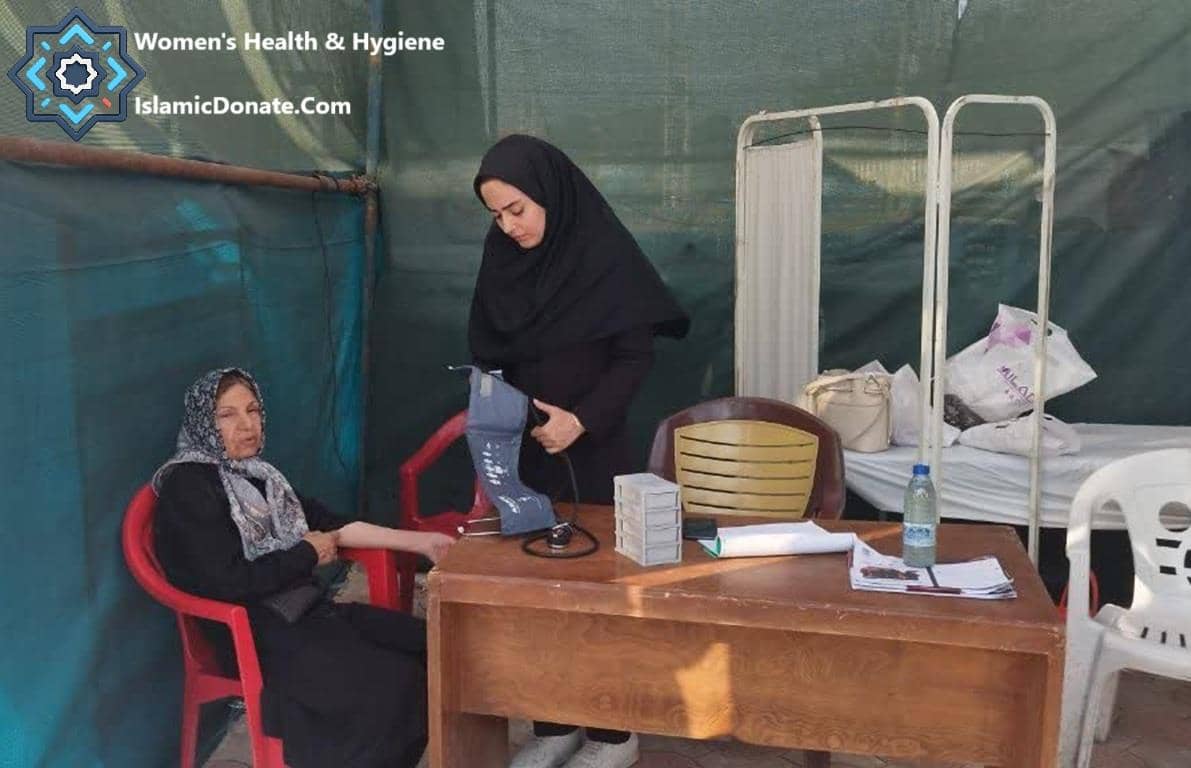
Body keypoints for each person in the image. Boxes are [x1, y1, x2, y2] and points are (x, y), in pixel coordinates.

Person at [469, 135, 689, 768]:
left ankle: (613, 734)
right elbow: (490, 350)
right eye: (497, 215)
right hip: (526, 451)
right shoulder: (503, 257)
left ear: (549, 195)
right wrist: (507, 411)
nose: (508, 226)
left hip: (594, 452)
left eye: (517, 209)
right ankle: (553, 723)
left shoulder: (603, 254)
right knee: (537, 592)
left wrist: (582, 420)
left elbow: (633, 356)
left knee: (600, 596)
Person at [153, 367, 454, 768]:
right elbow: (228, 582)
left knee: (436, 646)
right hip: (256, 634)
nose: (247, 425)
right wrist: (307, 554)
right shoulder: (188, 487)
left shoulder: (260, 478)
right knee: (395, 686)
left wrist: (421, 542)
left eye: (253, 410)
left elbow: (330, 525)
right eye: (227, 416)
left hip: (306, 613)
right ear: (202, 424)